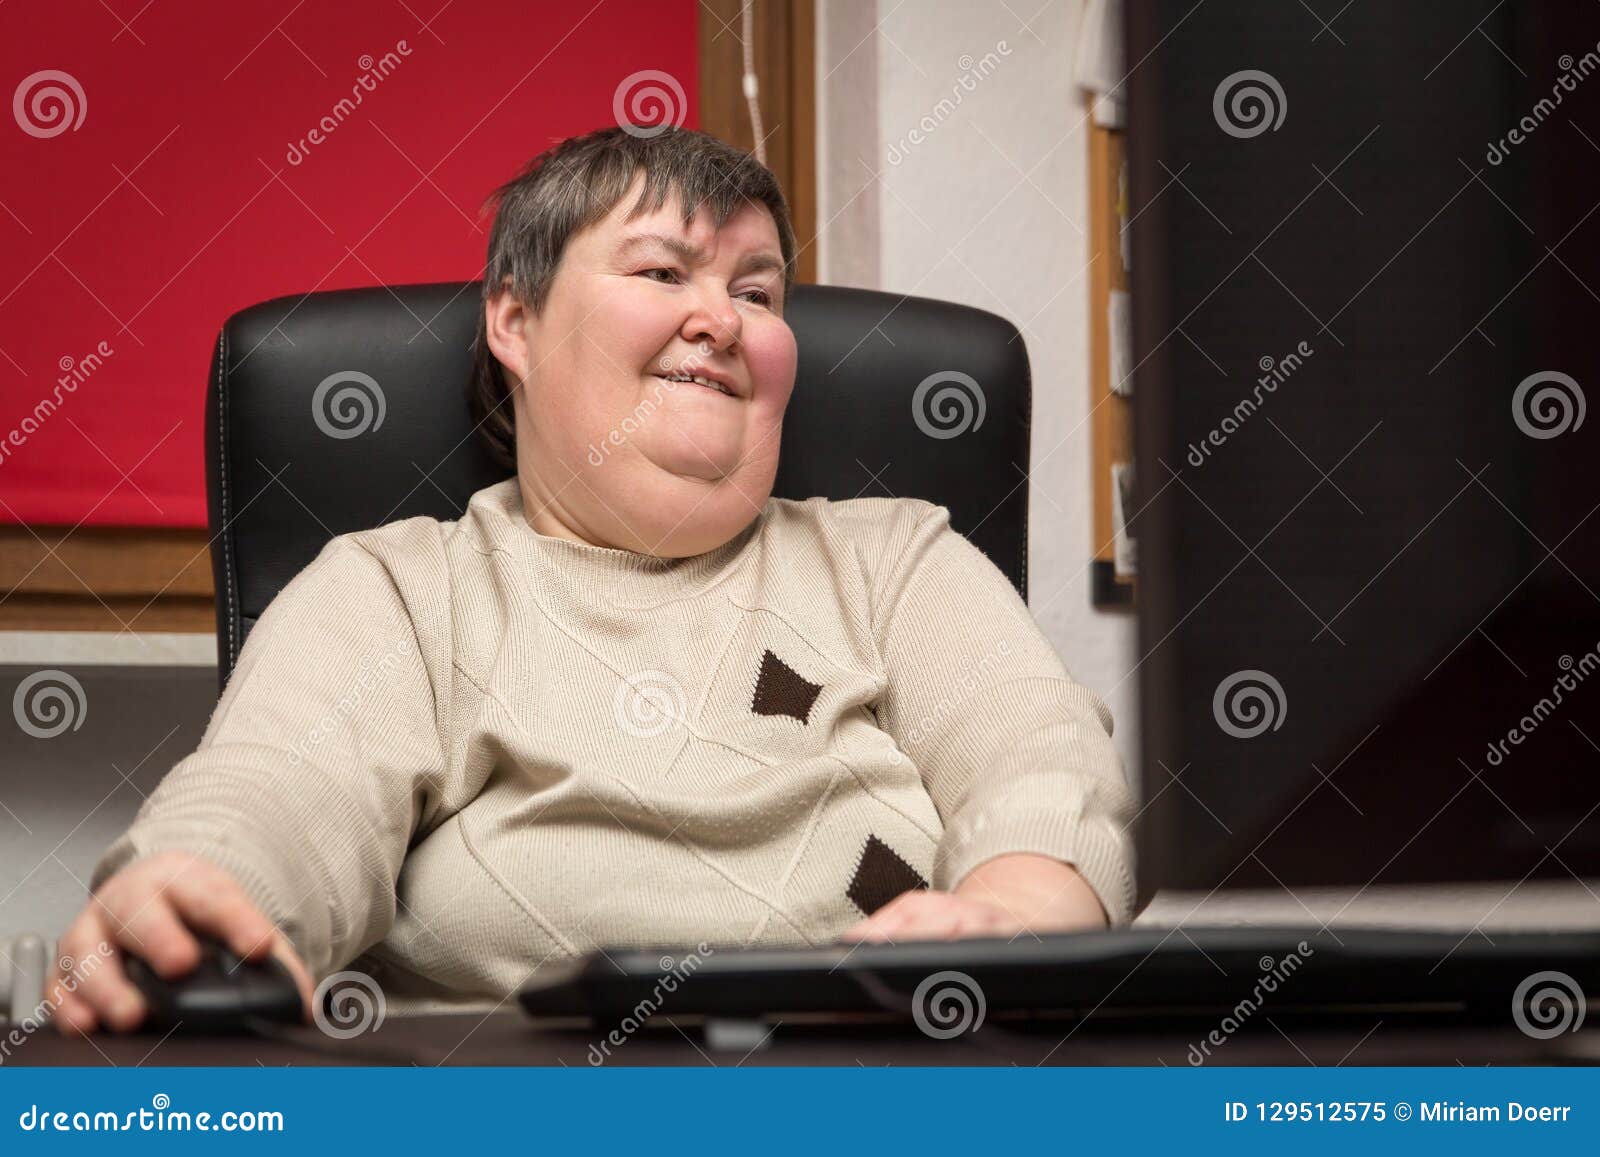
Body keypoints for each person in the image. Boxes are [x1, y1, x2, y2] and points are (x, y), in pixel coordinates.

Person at [48, 125, 1137, 1036]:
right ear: (514, 319)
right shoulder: (398, 589)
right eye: (662, 271)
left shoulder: (895, 559)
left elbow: (1038, 756)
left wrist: (1023, 904)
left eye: (756, 290)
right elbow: (279, 792)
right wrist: (196, 886)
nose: (722, 318)